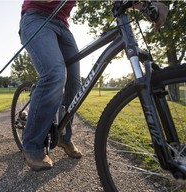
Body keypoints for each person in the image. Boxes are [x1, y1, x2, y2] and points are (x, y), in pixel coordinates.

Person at [19, 0, 168, 171]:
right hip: (35, 17)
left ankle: (64, 137)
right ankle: (31, 145)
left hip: (62, 24)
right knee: (54, 73)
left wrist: (145, 5)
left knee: (75, 85)